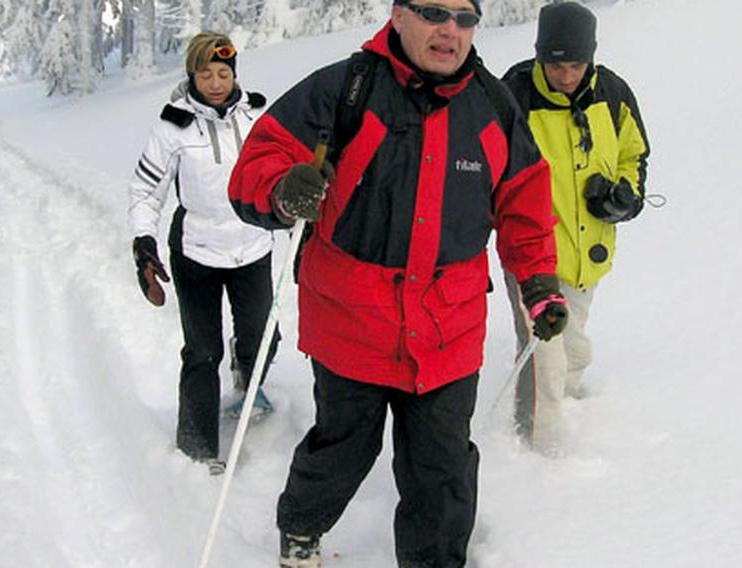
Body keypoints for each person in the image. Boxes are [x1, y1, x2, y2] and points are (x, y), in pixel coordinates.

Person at [229, 0, 568, 565]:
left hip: (447, 329)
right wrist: (284, 188)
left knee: (443, 468)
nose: (450, 31)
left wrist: (539, 283)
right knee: (343, 448)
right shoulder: (346, 89)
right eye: (435, 12)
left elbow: (524, 203)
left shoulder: (490, 106)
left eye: (465, 18)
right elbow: (257, 162)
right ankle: (301, 530)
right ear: (398, 14)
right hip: (349, 321)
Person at [127, 32, 280, 475]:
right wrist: (144, 243)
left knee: (262, 338)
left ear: (235, 74)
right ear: (192, 75)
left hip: (252, 245)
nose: (215, 82)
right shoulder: (172, 126)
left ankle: (248, 378)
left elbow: (283, 169)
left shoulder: (257, 117)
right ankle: (197, 449)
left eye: (223, 73)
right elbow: (145, 191)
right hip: (195, 252)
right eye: (206, 73)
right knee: (201, 351)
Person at [501, 1, 650, 454]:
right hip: (532, 253)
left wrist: (624, 196)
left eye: (576, 65)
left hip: (589, 251)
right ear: (539, 56)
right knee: (543, 356)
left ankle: (568, 406)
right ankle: (537, 453)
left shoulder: (613, 92)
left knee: (574, 350)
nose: (566, 76)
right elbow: (489, 168)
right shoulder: (515, 95)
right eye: (556, 64)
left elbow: (634, 154)